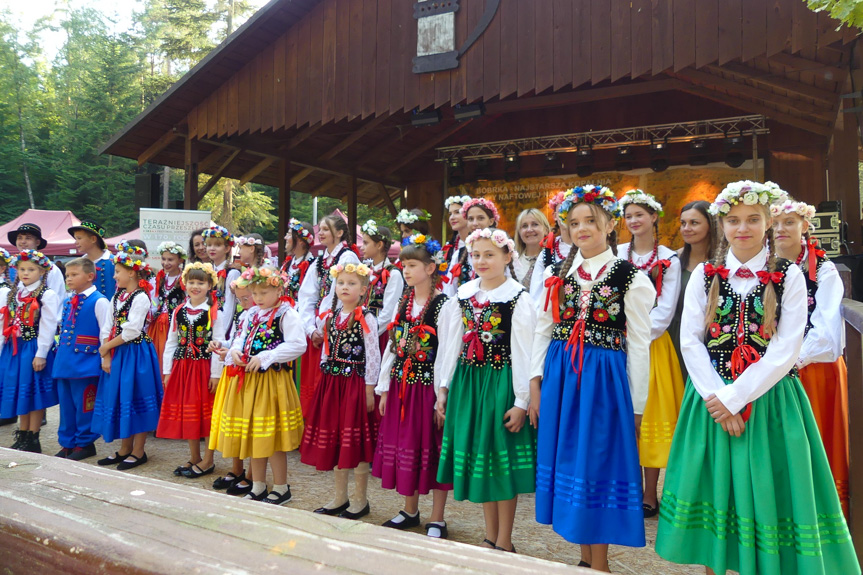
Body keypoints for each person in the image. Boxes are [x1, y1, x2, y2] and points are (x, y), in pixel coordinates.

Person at [655, 181, 860, 575]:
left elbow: (786, 349)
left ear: (768, 222)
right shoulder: (703, 276)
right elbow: (691, 342)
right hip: (711, 402)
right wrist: (721, 398)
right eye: (733, 220)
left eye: (752, 219)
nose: (742, 228)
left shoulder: (790, 276)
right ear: (723, 225)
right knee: (718, 494)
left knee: (769, 493)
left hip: (770, 404)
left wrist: (738, 397)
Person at [531, 186, 654, 572]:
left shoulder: (630, 277)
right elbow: (542, 328)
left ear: (610, 224)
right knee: (570, 461)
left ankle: (598, 564)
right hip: (562, 377)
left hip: (603, 382)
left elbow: (639, 345)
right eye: (574, 223)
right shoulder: (556, 272)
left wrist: (636, 404)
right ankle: (583, 560)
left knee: (596, 463)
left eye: (590, 221)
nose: (581, 229)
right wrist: (535, 384)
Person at [436, 227, 536, 554]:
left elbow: (525, 351)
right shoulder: (463, 295)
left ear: (508, 257)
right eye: (476, 255)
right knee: (482, 459)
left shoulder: (519, 298)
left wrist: (522, 400)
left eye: (490, 254)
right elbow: (450, 346)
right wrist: (443, 387)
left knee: (499, 461)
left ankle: (505, 538)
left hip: (500, 384)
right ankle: (490, 534)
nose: (481, 261)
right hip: (468, 383)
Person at [772, 198, 849, 517]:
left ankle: (820, 516)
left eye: (789, 222)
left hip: (813, 370)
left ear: (805, 226)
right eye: (775, 223)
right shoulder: (766, 266)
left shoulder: (823, 270)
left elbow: (827, 334)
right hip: (772, 371)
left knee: (813, 443)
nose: (780, 229)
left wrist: (788, 360)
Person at [373, 234, 453, 538]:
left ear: (431, 268)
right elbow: (392, 348)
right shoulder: (403, 302)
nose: (405, 270)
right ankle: (409, 509)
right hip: (402, 386)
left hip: (426, 390)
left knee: (432, 448)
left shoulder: (445, 305)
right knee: (407, 445)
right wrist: (384, 387)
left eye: (412, 265)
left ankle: (437, 517)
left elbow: (446, 353)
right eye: (403, 265)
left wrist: (441, 397)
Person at [210, 265, 306, 504]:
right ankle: (259, 484)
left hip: (272, 382)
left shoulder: (287, 314)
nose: (258, 298)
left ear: (279, 289)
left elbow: (297, 345)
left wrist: (266, 356)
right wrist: (233, 351)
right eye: (255, 293)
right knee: (255, 433)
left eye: (264, 293)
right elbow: (241, 338)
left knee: (272, 437)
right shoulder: (251, 314)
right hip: (250, 382)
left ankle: (282, 487)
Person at [617, 189, 685, 517]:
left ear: (654, 217)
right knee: (621, 418)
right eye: (628, 216)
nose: (633, 221)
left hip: (652, 346)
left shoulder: (669, 259)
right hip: (616, 345)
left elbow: (665, 310)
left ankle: (649, 493)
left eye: (639, 215)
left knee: (649, 418)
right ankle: (624, 487)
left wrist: (635, 335)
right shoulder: (616, 256)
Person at [300, 262, 381, 519]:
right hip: (332, 384)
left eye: (352, 283)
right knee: (336, 440)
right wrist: (325, 376)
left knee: (352, 441)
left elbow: (373, 355)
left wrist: (370, 389)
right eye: (341, 283)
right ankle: (339, 496)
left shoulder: (366, 317)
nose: (345, 287)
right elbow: (326, 349)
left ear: (363, 289)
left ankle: (360, 499)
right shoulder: (332, 317)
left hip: (355, 384)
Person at [93, 252, 163, 471]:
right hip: (118, 352)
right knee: (123, 398)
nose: (114, 277)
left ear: (131, 273)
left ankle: (138, 451)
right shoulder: (117, 297)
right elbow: (106, 326)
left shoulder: (141, 297)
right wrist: (105, 354)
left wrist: (106, 347)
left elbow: (132, 330)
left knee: (136, 397)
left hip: (135, 353)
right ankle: (125, 448)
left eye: (118, 272)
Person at [158, 262, 222, 479]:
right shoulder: (179, 311)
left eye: (201, 282)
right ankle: (194, 456)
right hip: (183, 367)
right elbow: (171, 342)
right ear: (185, 284)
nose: (195, 286)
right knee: (190, 412)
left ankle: (208, 459)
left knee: (206, 412)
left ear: (210, 285)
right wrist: (167, 371)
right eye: (191, 282)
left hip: (203, 367)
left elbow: (218, 343)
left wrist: (215, 374)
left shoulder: (214, 312)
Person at [296, 213, 360, 415]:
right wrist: (310, 327)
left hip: (336, 328)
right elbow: (306, 295)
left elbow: (343, 297)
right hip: (317, 327)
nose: (321, 233)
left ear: (339, 232)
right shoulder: (320, 260)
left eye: (326, 229)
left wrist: (323, 327)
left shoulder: (347, 258)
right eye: (320, 229)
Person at [0, 250, 60, 453]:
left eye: (31, 269)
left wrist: (41, 353)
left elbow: (49, 325)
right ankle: (23, 433)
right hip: (14, 348)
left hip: (32, 347)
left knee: (33, 393)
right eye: (22, 269)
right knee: (20, 391)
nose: (25, 273)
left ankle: (34, 437)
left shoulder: (47, 294)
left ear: (42, 271)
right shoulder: (15, 292)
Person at [53, 258, 111, 461]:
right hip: (66, 362)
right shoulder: (69, 300)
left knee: (85, 405)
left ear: (89, 276)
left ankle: (85, 442)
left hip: (86, 363)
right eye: (67, 275)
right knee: (66, 406)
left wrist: (105, 358)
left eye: (74, 274)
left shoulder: (100, 300)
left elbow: (105, 332)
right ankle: (68, 443)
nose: (69, 278)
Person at [210, 281, 256, 495]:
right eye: (239, 300)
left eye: (246, 298)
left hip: (251, 374)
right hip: (234, 372)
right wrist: (223, 347)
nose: (243, 303)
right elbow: (237, 341)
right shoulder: (244, 314)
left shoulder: (259, 315)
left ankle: (253, 475)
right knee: (235, 422)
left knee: (249, 424)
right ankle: (237, 468)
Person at [668, 200, 717, 381]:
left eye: (694, 223)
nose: (686, 228)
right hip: (676, 336)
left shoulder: (724, 263)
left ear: (711, 225)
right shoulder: (673, 260)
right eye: (683, 223)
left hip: (712, 338)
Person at [360, 220, 404, 352]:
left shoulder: (393, 274)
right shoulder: (365, 270)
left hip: (379, 333)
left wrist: (369, 333)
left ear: (379, 245)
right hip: (361, 329)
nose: (362, 247)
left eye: (366, 243)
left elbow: (388, 311)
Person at [7, 223, 66, 311]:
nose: (23, 242)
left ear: (37, 242)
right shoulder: (13, 266)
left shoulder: (50, 269)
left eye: (28, 238)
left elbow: (58, 299)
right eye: (19, 238)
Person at [148, 241, 187, 373]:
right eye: (163, 259)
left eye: (170, 259)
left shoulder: (184, 279)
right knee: (156, 354)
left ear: (180, 260)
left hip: (173, 323)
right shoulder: (159, 278)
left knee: (168, 353)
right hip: (157, 324)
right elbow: (154, 300)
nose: (166, 263)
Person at [203, 225, 240, 349]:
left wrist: (220, 335)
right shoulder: (206, 270)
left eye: (217, 245)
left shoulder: (232, 273)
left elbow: (229, 306)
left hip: (223, 327)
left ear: (227, 248)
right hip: (206, 323)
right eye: (209, 245)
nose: (211, 248)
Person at [68, 220, 116, 297]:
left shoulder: (113, 262)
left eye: (79, 238)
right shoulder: (79, 264)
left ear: (93, 239)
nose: (76, 242)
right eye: (75, 239)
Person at [512, 208, 551, 296]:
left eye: (535, 224)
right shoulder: (512, 262)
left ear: (546, 230)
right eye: (524, 226)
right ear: (519, 232)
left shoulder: (553, 259)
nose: (529, 229)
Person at [441, 195, 471, 297]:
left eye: (457, 212)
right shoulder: (449, 247)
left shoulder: (476, 244)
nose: (452, 217)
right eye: (450, 213)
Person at [280, 218, 315, 302]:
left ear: (300, 241)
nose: (285, 238)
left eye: (289, 235)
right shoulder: (287, 264)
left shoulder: (312, 265)